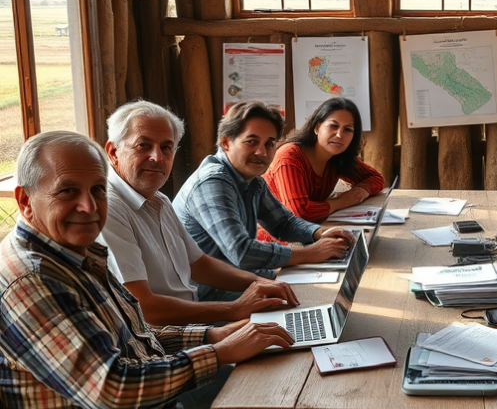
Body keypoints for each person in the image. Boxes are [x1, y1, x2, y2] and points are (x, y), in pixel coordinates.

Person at [0, 130, 366, 409]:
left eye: (97, 190)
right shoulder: (31, 280)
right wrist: (219, 350)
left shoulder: (73, 250)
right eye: (67, 191)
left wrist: (212, 335)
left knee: (278, 376)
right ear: (25, 200)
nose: (89, 206)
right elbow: (110, 390)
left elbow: (135, 335)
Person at [100, 100, 300, 326]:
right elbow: (144, 308)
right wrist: (235, 310)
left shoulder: (159, 200)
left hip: (194, 320)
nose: (157, 157)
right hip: (163, 340)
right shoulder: (108, 208)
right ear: (113, 151)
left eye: (166, 147)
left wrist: (259, 282)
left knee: (292, 318)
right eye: (143, 145)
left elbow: (200, 265)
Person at [173, 100, 355, 285]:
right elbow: (241, 252)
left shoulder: (252, 179)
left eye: (269, 144)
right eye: (251, 141)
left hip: (242, 278)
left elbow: (283, 222)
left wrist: (319, 233)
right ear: (226, 143)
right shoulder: (212, 182)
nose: (261, 152)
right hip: (205, 295)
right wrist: (311, 253)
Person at [259, 97, 384, 242]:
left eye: (347, 129)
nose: (339, 135)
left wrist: (361, 190)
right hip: (274, 242)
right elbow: (298, 213)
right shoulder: (289, 157)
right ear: (317, 127)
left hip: (312, 233)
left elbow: (376, 178)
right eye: (333, 126)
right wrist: (341, 201)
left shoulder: (338, 156)